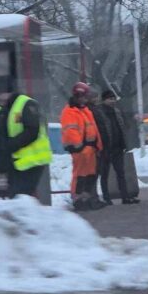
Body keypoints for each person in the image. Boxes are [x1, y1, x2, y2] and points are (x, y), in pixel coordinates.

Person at [0, 75, 52, 198]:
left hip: (31, 162)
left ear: (5, 92)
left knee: (20, 198)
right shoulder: (0, 110)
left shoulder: (26, 104)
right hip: (15, 164)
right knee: (17, 198)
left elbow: (32, 131)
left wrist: (9, 146)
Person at [60, 82, 103, 210]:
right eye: (84, 96)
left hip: (89, 149)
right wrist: (80, 146)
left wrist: (97, 145)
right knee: (79, 175)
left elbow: (93, 129)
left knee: (89, 175)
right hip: (81, 149)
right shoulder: (70, 111)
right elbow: (71, 131)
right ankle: (78, 199)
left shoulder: (84, 110)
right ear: (78, 96)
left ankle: (85, 198)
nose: (86, 99)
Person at [93, 89, 139, 205]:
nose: (112, 101)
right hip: (105, 147)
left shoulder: (117, 112)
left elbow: (122, 127)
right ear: (104, 100)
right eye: (109, 99)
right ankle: (106, 197)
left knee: (120, 173)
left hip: (118, 147)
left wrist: (124, 143)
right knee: (105, 174)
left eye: (113, 99)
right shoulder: (99, 112)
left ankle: (125, 196)